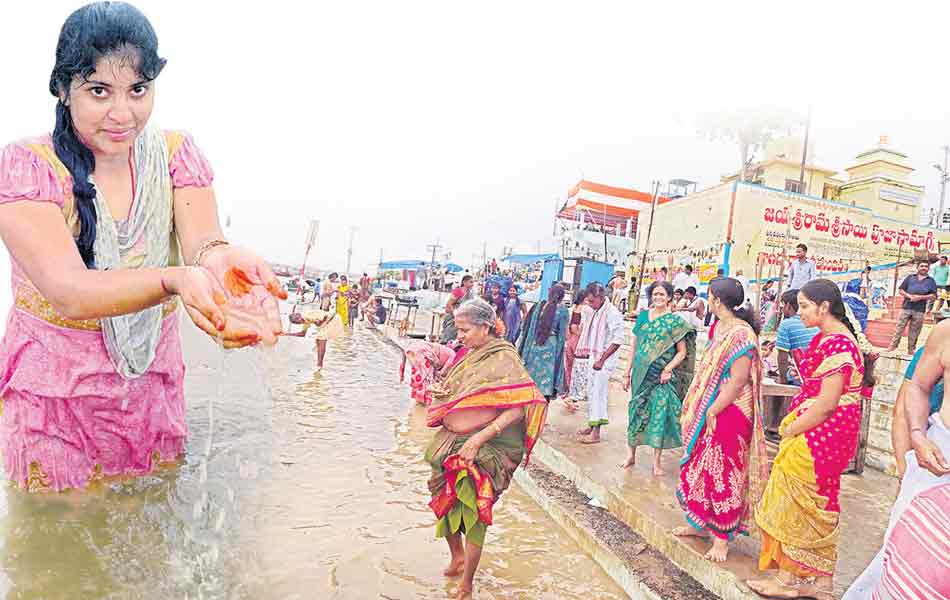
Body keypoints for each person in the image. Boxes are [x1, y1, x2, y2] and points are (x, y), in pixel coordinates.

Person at [0, 3, 286, 493]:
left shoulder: (175, 155)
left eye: (138, 89)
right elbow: (68, 290)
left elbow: (204, 245)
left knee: (149, 513)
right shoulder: (30, 167)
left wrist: (223, 261)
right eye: (98, 91)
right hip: (56, 395)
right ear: (63, 89)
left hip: (149, 385)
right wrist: (173, 279)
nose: (122, 113)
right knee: (55, 546)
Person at [748, 279, 875, 600]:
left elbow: (827, 402)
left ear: (824, 307)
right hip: (830, 431)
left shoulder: (838, 345)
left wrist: (791, 428)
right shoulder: (832, 338)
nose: (799, 312)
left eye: (804, 306)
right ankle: (821, 584)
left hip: (822, 433)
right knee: (822, 502)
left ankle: (788, 581)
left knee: (795, 501)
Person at [424, 299, 548, 600]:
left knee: (475, 507)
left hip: (491, 445)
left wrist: (477, 440)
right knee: (443, 496)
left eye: (465, 329)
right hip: (455, 438)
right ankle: (457, 556)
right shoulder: (470, 354)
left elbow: (517, 409)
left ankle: (467, 585)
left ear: (485, 326)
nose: (460, 335)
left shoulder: (504, 357)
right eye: (459, 329)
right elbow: (464, 391)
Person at [843, 321, 950, 599]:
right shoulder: (946, 332)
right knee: (909, 558)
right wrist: (918, 437)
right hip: (938, 462)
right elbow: (916, 387)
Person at [675, 277, 767, 563]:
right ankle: (701, 524)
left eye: (710, 297)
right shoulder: (720, 327)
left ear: (716, 301)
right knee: (702, 464)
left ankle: (722, 538)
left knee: (725, 470)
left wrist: (714, 409)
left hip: (732, 409)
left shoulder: (742, 334)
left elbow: (738, 379)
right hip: (712, 406)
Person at [621, 281, 695, 475]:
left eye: (662, 294)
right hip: (640, 374)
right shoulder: (643, 317)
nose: (658, 298)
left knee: (658, 415)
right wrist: (626, 372)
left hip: (661, 377)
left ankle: (656, 463)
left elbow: (682, 352)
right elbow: (634, 346)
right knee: (636, 411)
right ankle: (631, 454)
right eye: (655, 294)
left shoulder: (675, 322)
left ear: (670, 297)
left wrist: (668, 369)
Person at [576, 283, 625, 444]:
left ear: (600, 297)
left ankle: (596, 433)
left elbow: (618, 339)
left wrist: (602, 360)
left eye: (591, 301)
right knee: (591, 391)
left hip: (605, 359)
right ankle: (592, 424)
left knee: (598, 393)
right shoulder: (596, 311)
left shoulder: (612, 313)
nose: (589, 304)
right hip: (594, 356)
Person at [517, 284, 569, 401]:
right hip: (551, 347)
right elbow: (562, 335)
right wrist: (559, 357)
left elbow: (528, 328)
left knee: (531, 379)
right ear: (562, 296)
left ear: (549, 292)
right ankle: (541, 410)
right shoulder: (563, 311)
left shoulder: (538, 306)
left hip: (534, 345)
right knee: (546, 383)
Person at [888, 260, 938, 355]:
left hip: (920, 310)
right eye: (922, 266)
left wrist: (920, 297)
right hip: (906, 307)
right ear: (917, 267)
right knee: (899, 328)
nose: (924, 268)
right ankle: (892, 346)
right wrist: (910, 296)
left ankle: (911, 349)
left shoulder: (931, 281)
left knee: (915, 331)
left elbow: (934, 296)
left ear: (928, 268)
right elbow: (901, 290)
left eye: (926, 266)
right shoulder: (910, 278)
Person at [774, 289, 819, 386]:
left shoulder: (786, 324)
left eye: (783, 305)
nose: (781, 309)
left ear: (788, 305)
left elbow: (782, 357)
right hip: (818, 374)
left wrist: (783, 379)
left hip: (804, 377)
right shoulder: (812, 321)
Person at [564, 288, 594, 411]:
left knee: (569, 366)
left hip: (571, 339)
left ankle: (569, 392)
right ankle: (576, 392)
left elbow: (569, 326)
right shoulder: (588, 310)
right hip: (580, 341)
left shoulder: (572, 309)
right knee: (580, 367)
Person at [401, 340, 456, 405]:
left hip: (414, 348)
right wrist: (440, 374)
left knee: (418, 375)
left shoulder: (445, 350)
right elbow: (444, 369)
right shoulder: (453, 355)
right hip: (421, 351)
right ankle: (425, 402)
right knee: (426, 379)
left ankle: (418, 399)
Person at [441, 275, 475, 343]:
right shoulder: (458, 291)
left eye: (473, 282)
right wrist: (455, 313)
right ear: (464, 282)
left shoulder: (470, 293)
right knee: (450, 334)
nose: (472, 284)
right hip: (453, 317)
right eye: (470, 282)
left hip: (464, 317)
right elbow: (449, 304)